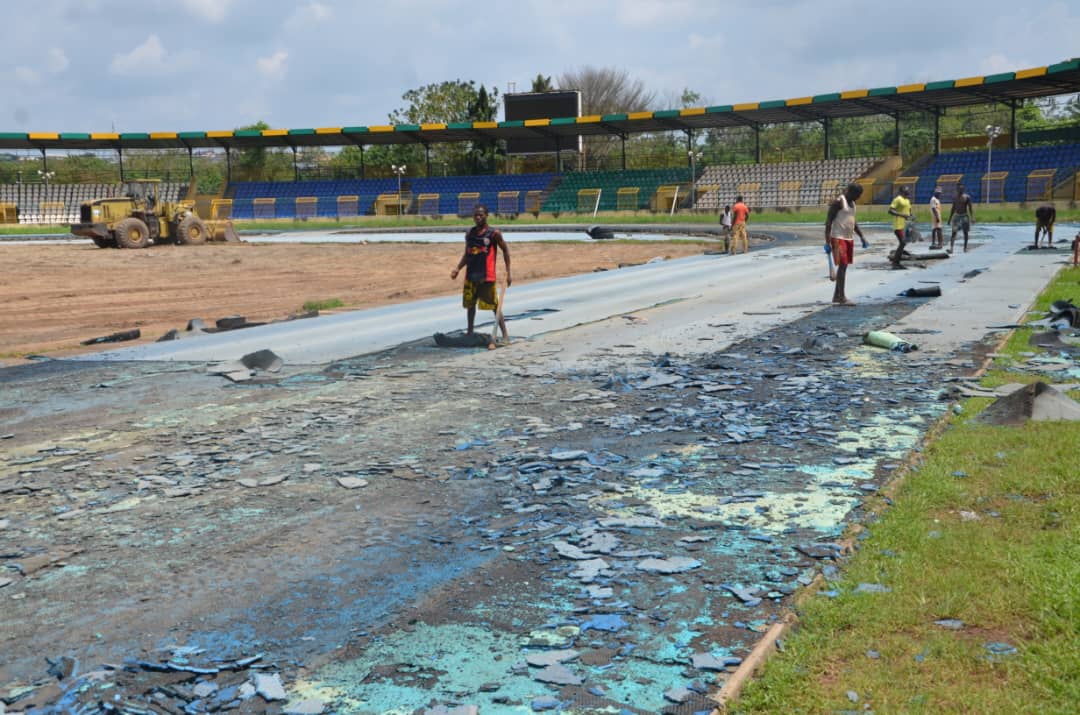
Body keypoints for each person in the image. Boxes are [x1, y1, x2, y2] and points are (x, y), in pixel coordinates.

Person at [450, 205, 511, 345]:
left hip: (486, 276)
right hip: (471, 275)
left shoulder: (494, 233)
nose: (478, 217)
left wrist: (508, 272)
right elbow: (467, 254)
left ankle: (505, 336)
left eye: (481, 215)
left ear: (487, 215)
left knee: (494, 306)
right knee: (470, 305)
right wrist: (458, 268)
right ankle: (470, 332)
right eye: (476, 215)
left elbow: (506, 251)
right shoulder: (469, 234)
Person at [825, 183, 867, 306]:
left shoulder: (853, 204)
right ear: (850, 192)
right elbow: (828, 223)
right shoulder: (838, 202)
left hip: (849, 238)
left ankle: (836, 296)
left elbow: (853, 222)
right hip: (838, 238)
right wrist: (827, 242)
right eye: (857, 194)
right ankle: (842, 297)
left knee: (844, 266)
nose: (859, 197)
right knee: (842, 265)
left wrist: (862, 236)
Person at [888, 186, 912, 268]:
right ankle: (895, 263)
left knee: (903, 243)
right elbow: (890, 210)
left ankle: (896, 261)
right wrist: (902, 215)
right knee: (902, 243)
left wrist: (911, 216)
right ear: (902, 191)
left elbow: (909, 212)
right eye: (906, 189)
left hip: (905, 226)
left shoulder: (908, 200)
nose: (908, 191)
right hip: (898, 225)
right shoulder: (897, 199)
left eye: (908, 190)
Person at [948, 183, 974, 253]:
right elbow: (953, 208)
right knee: (953, 232)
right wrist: (949, 219)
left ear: (963, 189)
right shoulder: (954, 197)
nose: (960, 190)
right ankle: (951, 248)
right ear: (957, 189)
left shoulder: (967, 197)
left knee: (965, 233)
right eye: (959, 189)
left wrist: (972, 217)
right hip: (956, 216)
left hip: (964, 216)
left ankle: (965, 248)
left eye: (962, 189)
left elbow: (970, 208)